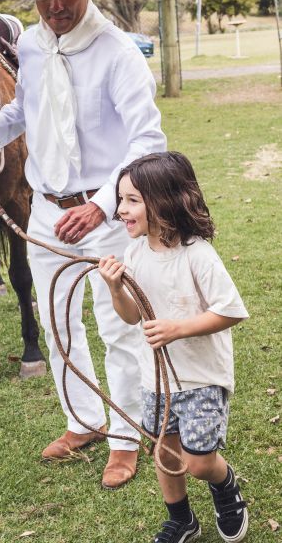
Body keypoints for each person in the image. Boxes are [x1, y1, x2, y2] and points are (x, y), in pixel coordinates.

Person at [0, 0, 166, 489]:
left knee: (119, 327)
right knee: (57, 320)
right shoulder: (34, 47)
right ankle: (82, 419)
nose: (57, 6)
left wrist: (100, 205)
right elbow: (25, 110)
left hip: (107, 215)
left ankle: (124, 436)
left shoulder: (117, 52)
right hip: (44, 210)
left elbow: (149, 141)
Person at [98, 151, 249, 542]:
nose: (121, 209)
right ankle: (182, 520)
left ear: (163, 201)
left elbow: (231, 311)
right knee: (164, 453)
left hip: (200, 377)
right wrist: (116, 288)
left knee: (198, 463)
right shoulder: (135, 254)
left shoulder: (197, 254)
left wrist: (177, 329)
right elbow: (132, 315)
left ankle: (225, 485)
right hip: (157, 379)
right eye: (120, 199)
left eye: (132, 200)